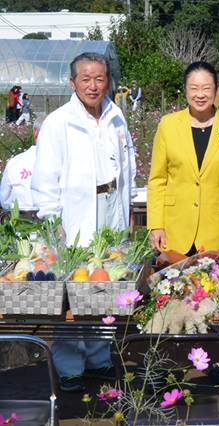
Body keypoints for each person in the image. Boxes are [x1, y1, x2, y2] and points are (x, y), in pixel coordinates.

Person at [31, 52, 137, 393]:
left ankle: (99, 357)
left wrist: (130, 208)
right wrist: (52, 219)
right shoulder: (58, 122)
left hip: (111, 205)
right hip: (75, 212)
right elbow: (45, 176)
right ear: (73, 82)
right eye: (86, 79)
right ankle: (69, 364)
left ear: (108, 81)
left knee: (105, 286)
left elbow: (129, 166)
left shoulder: (116, 115)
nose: (94, 86)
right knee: (74, 291)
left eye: (100, 79)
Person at [147, 61, 219, 255]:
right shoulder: (168, 124)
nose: (200, 94)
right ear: (185, 90)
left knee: (217, 284)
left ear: (216, 90)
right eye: (194, 88)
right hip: (175, 230)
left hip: (217, 229)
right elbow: (157, 180)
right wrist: (155, 225)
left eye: (207, 88)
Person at [0, 114, 46, 217]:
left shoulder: (15, 163)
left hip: (19, 227)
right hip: (52, 228)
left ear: (35, 133)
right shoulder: (64, 164)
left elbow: (4, 200)